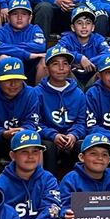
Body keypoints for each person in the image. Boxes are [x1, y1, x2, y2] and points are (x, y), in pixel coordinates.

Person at [37, 45, 88, 174]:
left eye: (65, 64)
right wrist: (53, 135)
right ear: (47, 68)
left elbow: (81, 123)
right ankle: (51, 187)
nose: (61, 68)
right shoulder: (37, 93)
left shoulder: (79, 93)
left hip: (71, 137)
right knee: (47, 146)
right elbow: (35, 123)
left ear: (69, 68)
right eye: (55, 64)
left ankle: (77, 188)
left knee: (83, 144)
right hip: (49, 138)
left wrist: (73, 135)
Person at [0, 57, 41, 162]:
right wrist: (2, 133)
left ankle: (39, 178)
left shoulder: (31, 93)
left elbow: (33, 121)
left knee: (37, 140)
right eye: (8, 80)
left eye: (17, 80)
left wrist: (23, 131)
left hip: (24, 138)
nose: (13, 84)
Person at [0, 0, 47, 84]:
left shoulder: (35, 29)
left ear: (30, 18)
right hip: (8, 69)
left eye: (24, 14)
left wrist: (9, 47)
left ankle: (39, 94)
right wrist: (27, 54)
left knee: (44, 59)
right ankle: (2, 94)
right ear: (8, 18)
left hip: (30, 69)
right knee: (2, 58)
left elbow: (40, 46)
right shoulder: (1, 31)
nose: (19, 17)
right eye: (15, 14)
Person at [58, 6, 110, 86]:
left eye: (88, 23)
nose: (84, 26)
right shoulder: (67, 39)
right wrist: (80, 58)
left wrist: (88, 62)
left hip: (93, 78)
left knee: (109, 67)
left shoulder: (98, 39)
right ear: (73, 27)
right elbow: (56, 50)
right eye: (79, 23)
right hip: (72, 78)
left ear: (93, 27)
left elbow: (109, 54)